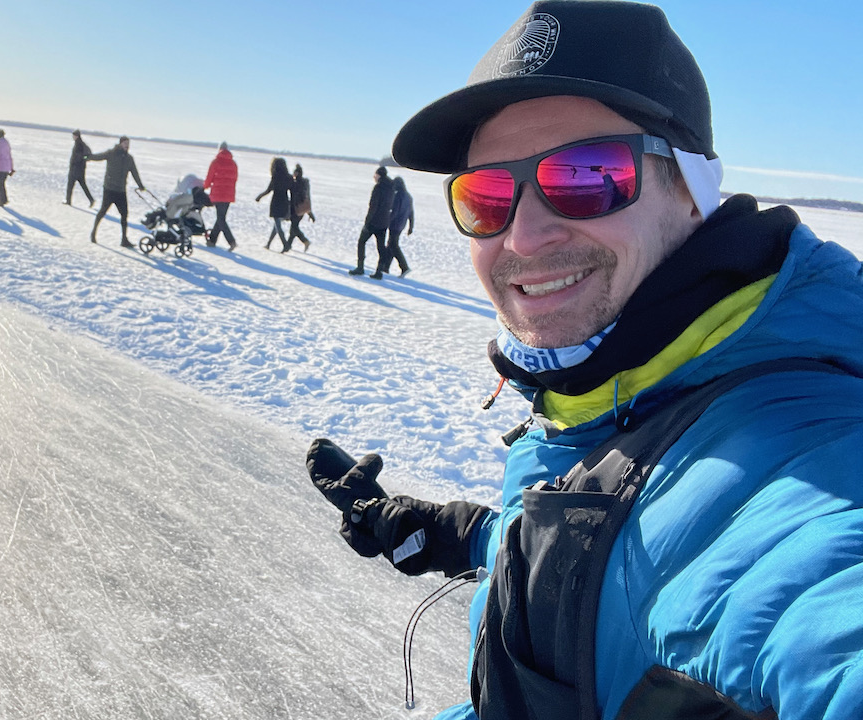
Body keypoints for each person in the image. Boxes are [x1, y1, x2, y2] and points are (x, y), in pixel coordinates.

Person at [309, 2, 863, 719]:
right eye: (488, 196)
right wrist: (466, 534)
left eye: (586, 176)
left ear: (691, 193)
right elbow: (639, 544)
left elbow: (800, 583)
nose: (526, 236)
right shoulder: (615, 389)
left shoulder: (803, 454)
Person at [87, 136, 145, 247]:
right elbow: (98, 156)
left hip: (121, 191)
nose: (127, 145)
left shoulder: (129, 158)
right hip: (109, 189)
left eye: (128, 144)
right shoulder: (111, 153)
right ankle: (93, 233)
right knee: (102, 211)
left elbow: (134, 173)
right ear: (120, 144)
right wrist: (87, 157)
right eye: (125, 143)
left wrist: (140, 185)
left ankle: (124, 240)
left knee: (124, 215)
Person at [349, 166, 393, 277]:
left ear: (379, 175)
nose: (374, 177)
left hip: (374, 222)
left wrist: (367, 221)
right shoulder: (391, 188)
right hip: (384, 222)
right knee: (381, 247)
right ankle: (379, 272)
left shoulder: (378, 188)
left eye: (375, 175)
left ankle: (360, 267)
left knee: (361, 242)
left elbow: (373, 206)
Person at [202, 141, 237, 251]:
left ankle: (231, 241)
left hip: (218, 194)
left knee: (221, 219)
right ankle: (212, 240)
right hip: (229, 195)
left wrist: (205, 186)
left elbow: (209, 177)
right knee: (220, 217)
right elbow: (235, 179)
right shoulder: (233, 164)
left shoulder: (215, 162)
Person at [255, 157, 292, 250]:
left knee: (278, 225)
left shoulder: (275, 177)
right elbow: (292, 190)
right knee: (276, 225)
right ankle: (268, 244)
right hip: (285, 202)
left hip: (276, 202)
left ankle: (286, 244)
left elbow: (268, 190)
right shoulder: (288, 177)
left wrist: (259, 197)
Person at [380, 175, 413, 276]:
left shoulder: (399, 195)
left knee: (394, 246)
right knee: (391, 244)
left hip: (395, 224)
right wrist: (411, 226)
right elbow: (411, 213)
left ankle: (404, 267)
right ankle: (385, 268)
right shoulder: (408, 196)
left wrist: (387, 222)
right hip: (401, 225)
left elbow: (395, 211)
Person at [288, 164, 316, 252]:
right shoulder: (301, 183)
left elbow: (303, 197)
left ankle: (305, 241)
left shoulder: (298, 183)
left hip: (297, 208)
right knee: (293, 227)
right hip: (298, 209)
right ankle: (288, 245)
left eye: (295, 172)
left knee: (294, 227)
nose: (294, 174)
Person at [65, 129, 93, 206]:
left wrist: (76, 162)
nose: (73, 137)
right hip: (80, 169)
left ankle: (68, 201)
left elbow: (80, 156)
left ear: (76, 136)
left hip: (75, 169)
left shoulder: (79, 144)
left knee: (70, 185)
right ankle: (91, 199)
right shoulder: (82, 144)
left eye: (74, 135)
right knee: (83, 185)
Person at [0, 129, 15, 206]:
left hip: (0, 167)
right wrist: (11, 167)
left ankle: (1, 201)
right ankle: (4, 199)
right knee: (2, 184)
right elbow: (10, 156)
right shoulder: (7, 143)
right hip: (6, 167)